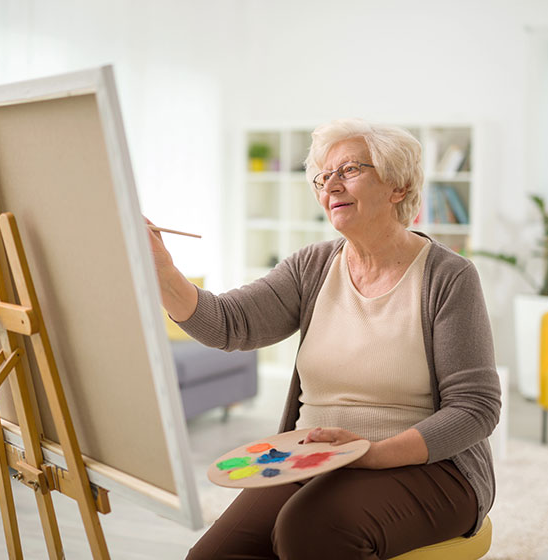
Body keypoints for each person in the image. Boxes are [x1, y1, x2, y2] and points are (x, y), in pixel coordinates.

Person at [148, 118, 501, 560]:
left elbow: (476, 409)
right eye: (323, 175)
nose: (331, 184)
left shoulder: (449, 276)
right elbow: (229, 324)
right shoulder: (311, 266)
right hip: (314, 457)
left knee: (310, 530)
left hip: (430, 467)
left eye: (350, 169)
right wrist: (163, 272)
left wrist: (371, 454)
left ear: (397, 186)